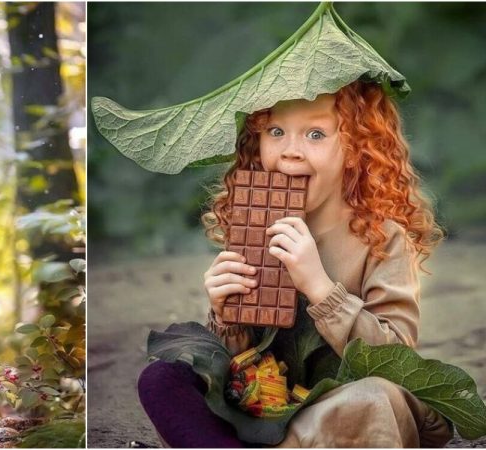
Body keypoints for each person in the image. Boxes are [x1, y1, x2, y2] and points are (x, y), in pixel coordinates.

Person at [137, 80, 453, 447]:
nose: (290, 152)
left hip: (344, 398)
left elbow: (397, 360)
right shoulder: (255, 221)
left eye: (316, 134)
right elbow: (243, 363)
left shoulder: (383, 238)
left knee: (371, 399)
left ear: (357, 148)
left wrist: (320, 287)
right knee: (162, 378)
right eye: (275, 131)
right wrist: (228, 316)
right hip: (274, 401)